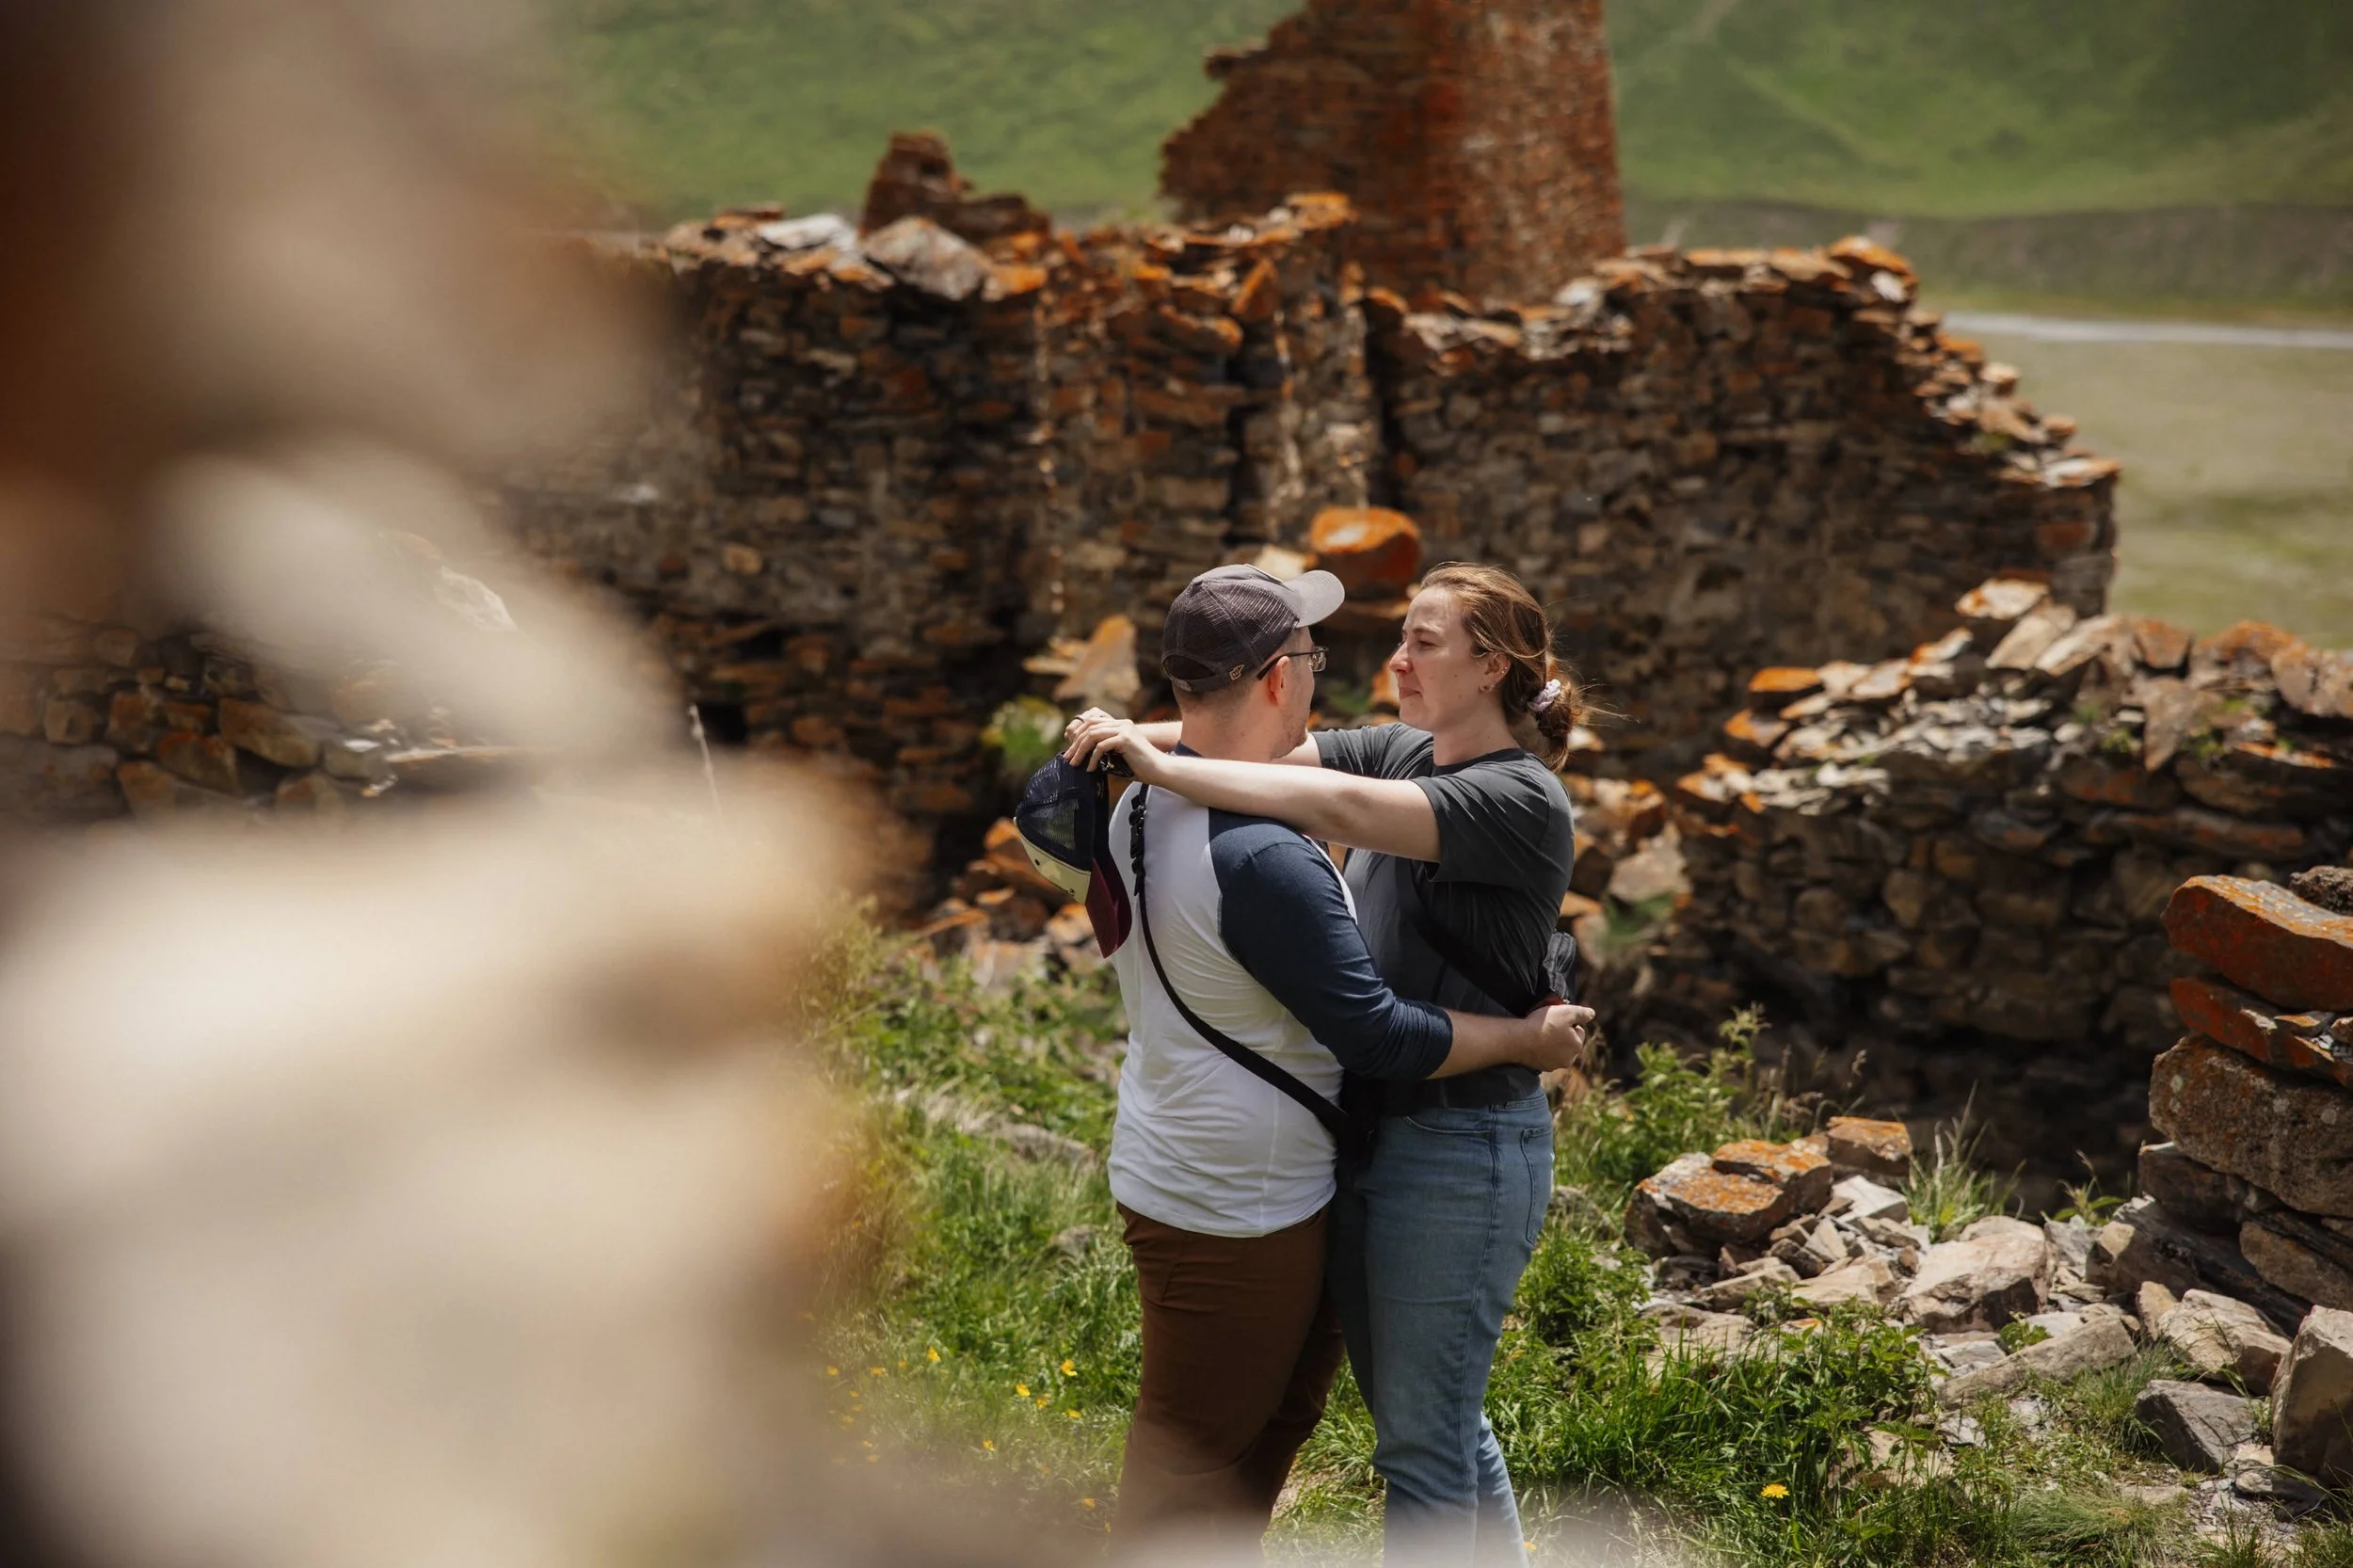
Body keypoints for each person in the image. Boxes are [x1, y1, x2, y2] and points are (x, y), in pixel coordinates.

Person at [1065, 563, 1584, 1566]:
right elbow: (1260, 746)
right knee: (1436, 1424)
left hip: (1464, 1140)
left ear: (1493, 667)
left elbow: (1333, 808)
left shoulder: (1514, 796)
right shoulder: (1408, 748)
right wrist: (1123, 735)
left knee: (1424, 1439)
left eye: (1423, 642)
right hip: (1389, 1133)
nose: (1394, 660)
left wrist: (1158, 767)